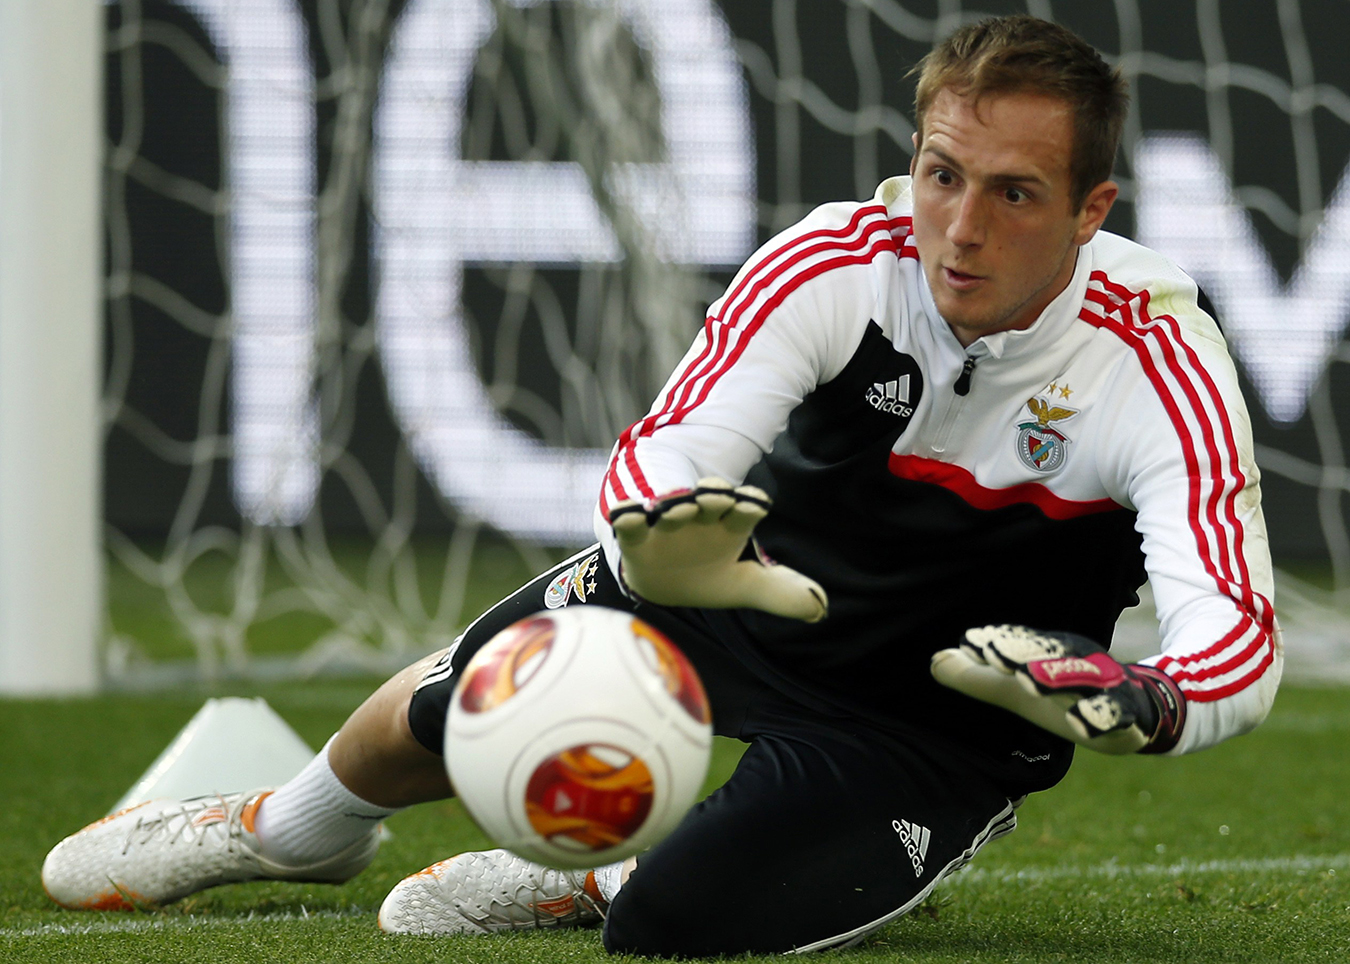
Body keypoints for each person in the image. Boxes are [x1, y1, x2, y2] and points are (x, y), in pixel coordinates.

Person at [42, 14, 1280, 955]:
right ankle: (282, 831)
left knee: (672, 927)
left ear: (1089, 208)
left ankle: (609, 871)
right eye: (943, 172)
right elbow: (669, 450)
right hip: (743, 595)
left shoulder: (1158, 361)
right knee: (458, 700)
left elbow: (1234, 635)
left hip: (935, 724)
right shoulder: (837, 261)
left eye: (1013, 193)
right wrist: (660, 551)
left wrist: (1147, 696)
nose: (958, 225)